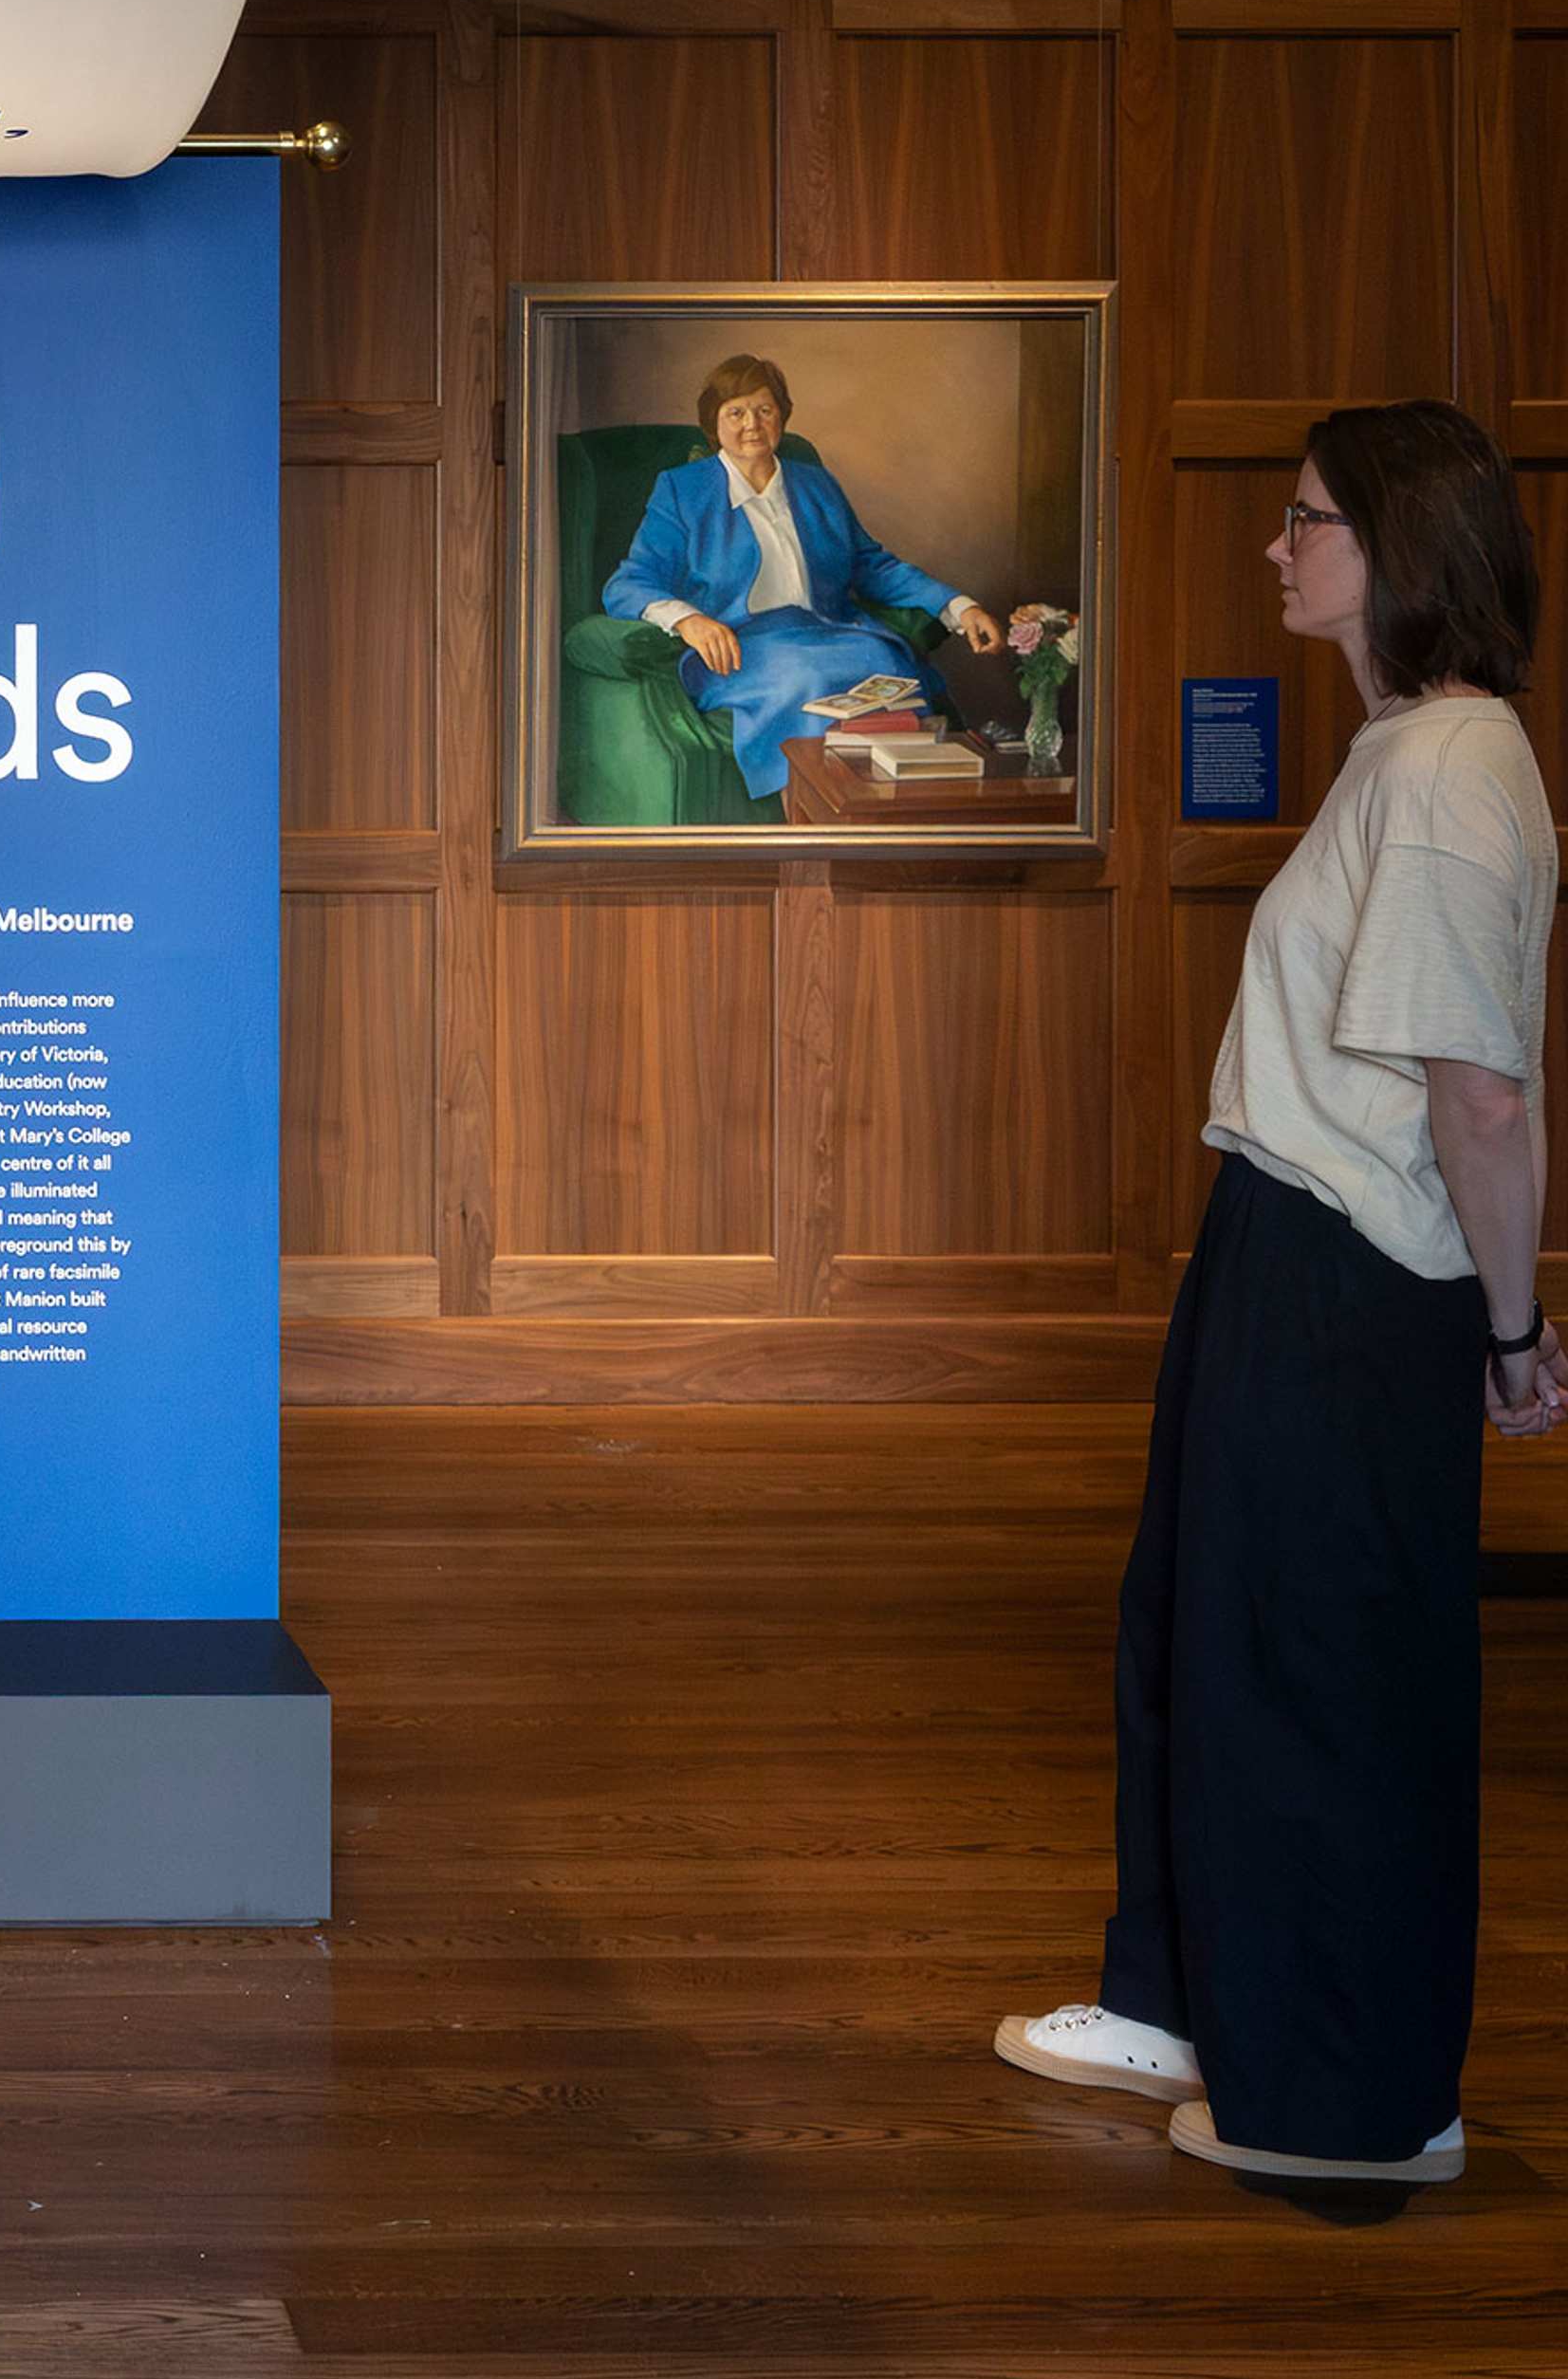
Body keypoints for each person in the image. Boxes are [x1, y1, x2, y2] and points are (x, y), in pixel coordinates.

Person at [999, 398, 1557, 2185]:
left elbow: (1479, 1095)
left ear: (1404, 550)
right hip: (1278, 1241)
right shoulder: (1401, 749)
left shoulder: (1460, 771)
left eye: (1307, 520)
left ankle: (1355, 2106)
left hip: (1349, 1273)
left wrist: (1512, 1330)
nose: (1277, 545)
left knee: (1325, 1672)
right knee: (1197, 1629)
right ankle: (1183, 1996)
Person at [600, 352, 1005, 795]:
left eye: (764, 410)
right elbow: (629, 582)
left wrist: (958, 607)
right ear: (713, 423)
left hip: (831, 633)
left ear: (782, 418)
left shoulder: (816, 484)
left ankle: (891, 821)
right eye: (735, 412)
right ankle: (815, 819)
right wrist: (689, 621)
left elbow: (872, 565)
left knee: (891, 670)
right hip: (741, 648)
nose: (751, 423)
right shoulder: (682, 490)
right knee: (809, 680)